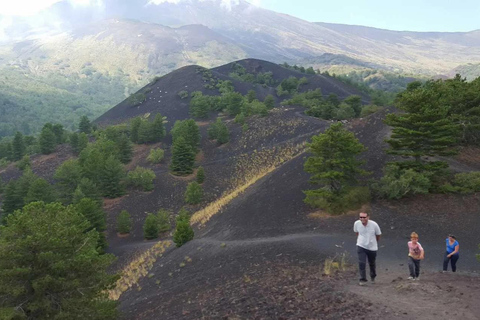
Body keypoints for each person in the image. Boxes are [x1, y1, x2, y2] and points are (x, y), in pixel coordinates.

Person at [353, 212, 381, 286]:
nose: (362, 219)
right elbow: (356, 232)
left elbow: (378, 235)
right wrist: (361, 240)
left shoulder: (374, 225)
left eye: (364, 217)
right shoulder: (356, 224)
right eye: (361, 217)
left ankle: (373, 276)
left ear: (368, 217)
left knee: (372, 263)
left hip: (372, 247)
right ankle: (363, 279)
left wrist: (374, 242)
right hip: (361, 245)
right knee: (361, 262)